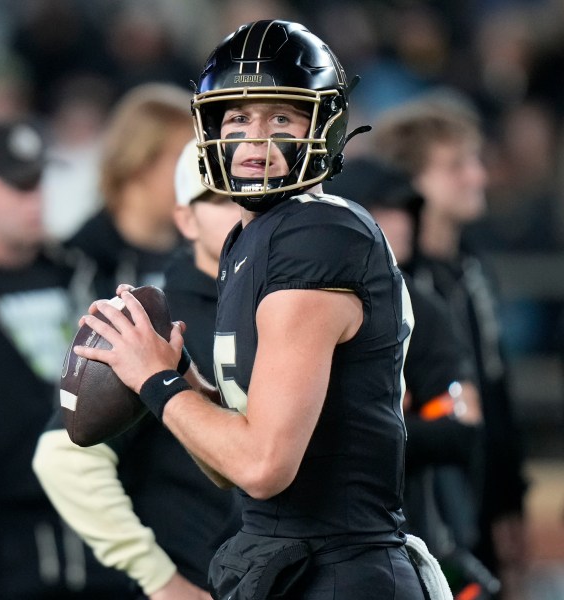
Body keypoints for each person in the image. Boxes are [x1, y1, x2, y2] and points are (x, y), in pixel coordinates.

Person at [73, 20, 441, 599]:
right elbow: (232, 466)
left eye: (281, 118)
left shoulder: (317, 235)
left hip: (339, 568)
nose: (255, 140)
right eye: (239, 117)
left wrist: (157, 380)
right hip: (291, 560)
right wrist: (185, 381)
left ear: (322, 127)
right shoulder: (252, 238)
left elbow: (265, 465)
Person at [33, 140, 242, 600]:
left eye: (257, 194)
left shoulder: (289, 306)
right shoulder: (154, 324)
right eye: (224, 197)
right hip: (205, 577)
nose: (246, 209)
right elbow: (63, 457)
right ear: (185, 218)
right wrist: (163, 583)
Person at [0, 120, 131, 599]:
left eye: (39, 180)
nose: (35, 199)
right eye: (18, 185)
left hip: (98, 533)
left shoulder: (79, 271)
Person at [370, 95, 528, 599]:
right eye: (457, 164)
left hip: (475, 511)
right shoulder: (385, 284)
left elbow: (496, 394)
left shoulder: (471, 270)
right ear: (411, 180)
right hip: (415, 525)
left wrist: (509, 503)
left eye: (475, 161)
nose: (477, 176)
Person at [326, 157, 500, 598]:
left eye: (406, 211)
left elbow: (462, 428)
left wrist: (352, 432)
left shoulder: (424, 309)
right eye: (383, 210)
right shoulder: (301, 298)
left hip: (416, 541)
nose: (400, 223)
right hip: (321, 543)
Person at [64, 82, 194, 299]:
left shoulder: (205, 250)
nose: (199, 174)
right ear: (139, 161)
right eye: (184, 158)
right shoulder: (79, 262)